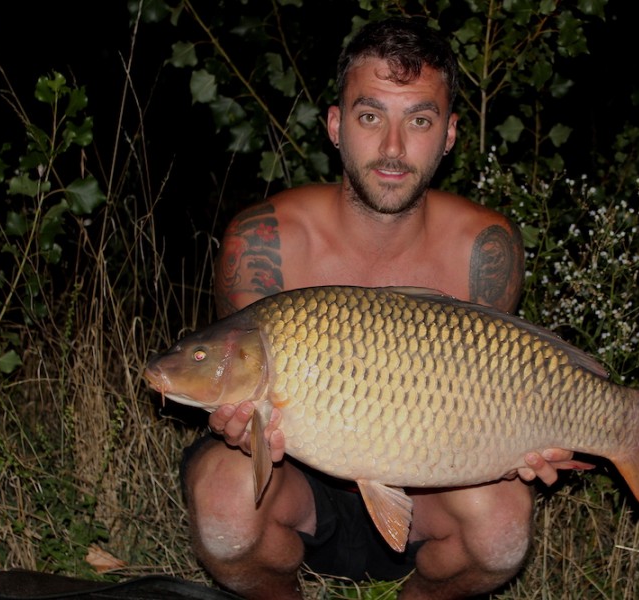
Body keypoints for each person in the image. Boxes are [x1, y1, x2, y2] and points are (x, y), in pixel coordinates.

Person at [181, 17, 585, 599]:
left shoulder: (485, 248)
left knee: (501, 532)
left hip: (428, 489)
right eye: (371, 117)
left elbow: (491, 395)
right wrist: (240, 425)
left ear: (448, 135)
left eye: (419, 120)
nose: (393, 148)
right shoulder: (263, 238)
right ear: (336, 125)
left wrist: (524, 439)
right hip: (296, 482)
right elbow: (232, 366)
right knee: (224, 510)